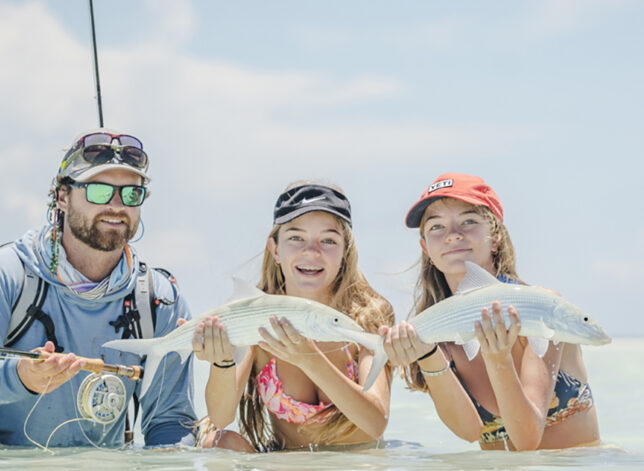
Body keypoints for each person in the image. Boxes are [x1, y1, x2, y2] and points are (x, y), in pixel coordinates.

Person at [0, 128, 196, 451]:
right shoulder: (6, 274)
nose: (117, 205)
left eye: (131, 193)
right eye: (99, 191)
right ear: (62, 197)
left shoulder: (159, 299)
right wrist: (20, 376)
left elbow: (171, 423)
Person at [380, 173, 599, 451]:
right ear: (426, 248)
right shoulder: (437, 336)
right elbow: (469, 431)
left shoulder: (541, 308)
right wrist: (427, 355)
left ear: (495, 237)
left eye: (469, 221)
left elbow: (527, 441)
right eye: (436, 226)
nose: (453, 234)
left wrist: (499, 359)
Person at [192, 182, 394, 452]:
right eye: (296, 238)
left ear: (345, 252)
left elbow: (375, 423)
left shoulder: (368, 317)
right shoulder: (258, 317)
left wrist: (309, 360)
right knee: (217, 444)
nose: (311, 251)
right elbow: (221, 417)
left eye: (328, 240)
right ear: (275, 249)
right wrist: (222, 363)